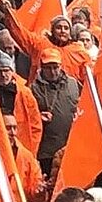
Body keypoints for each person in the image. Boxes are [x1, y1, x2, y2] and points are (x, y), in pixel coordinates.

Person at [31, 46, 80, 174]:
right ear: (41, 67)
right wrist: (38, 117)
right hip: (47, 151)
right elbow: (27, 117)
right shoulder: (33, 88)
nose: (52, 71)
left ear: (61, 66)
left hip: (70, 147)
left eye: (55, 67)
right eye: (48, 68)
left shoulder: (73, 84)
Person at [0, 49, 43, 155]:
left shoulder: (24, 93)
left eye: (6, 70)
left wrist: (32, 152)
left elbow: (35, 125)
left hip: (21, 146)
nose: (3, 75)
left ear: (12, 71)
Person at [2, 111, 48, 202]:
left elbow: (34, 198)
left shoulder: (27, 157)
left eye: (15, 128)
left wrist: (39, 193)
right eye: (8, 128)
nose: (13, 133)